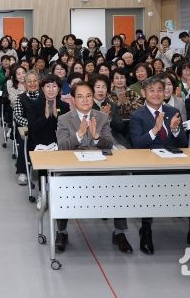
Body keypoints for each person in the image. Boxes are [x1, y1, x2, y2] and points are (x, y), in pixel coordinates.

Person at [129, 75, 190, 253]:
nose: (156, 94)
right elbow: (137, 144)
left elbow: (182, 142)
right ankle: (146, 229)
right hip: (149, 163)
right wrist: (155, 130)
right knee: (146, 185)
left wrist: (174, 129)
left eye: (160, 90)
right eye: (151, 90)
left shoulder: (173, 111)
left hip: (173, 160)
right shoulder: (137, 115)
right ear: (143, 93)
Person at [55, 80, 117, 253]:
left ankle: (120, 232)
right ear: (73, 100)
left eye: (89, 96)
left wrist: (97, 137)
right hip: (73, 167)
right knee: (62, 186)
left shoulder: (102, 117)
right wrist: (79, 134)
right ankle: (62, 232)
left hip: (100, 166)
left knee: (120, 183)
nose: (85, 100)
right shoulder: (64, 119)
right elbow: (62, 146)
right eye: (80, 96)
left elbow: (109, 143)